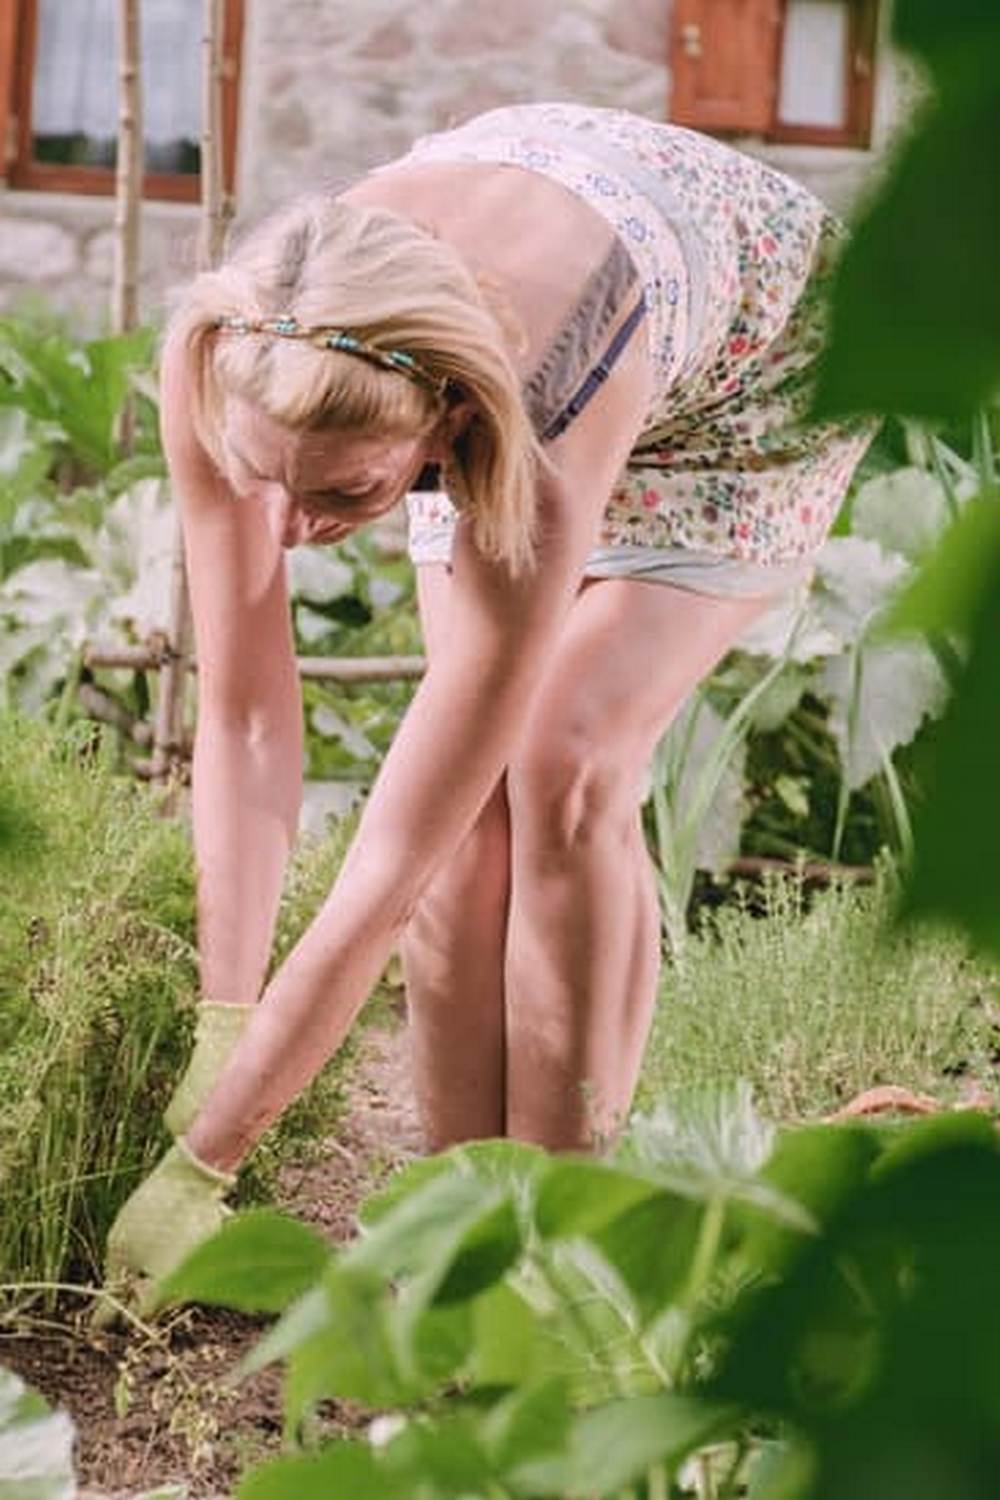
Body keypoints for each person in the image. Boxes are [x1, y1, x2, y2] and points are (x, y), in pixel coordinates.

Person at [100, 102, 873, 1314]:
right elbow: (247, 725)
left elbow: (385, 860)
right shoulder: (241, 350)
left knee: (559, 765)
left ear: (447, 429)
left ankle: (568, 1260)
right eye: (266, 478)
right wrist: (224, 1017)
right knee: (472, 824)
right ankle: (460, 1240)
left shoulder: (534, 402)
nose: (289, 529)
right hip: (489, 324)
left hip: (752, 383)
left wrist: (212, 1153)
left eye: (343, 495)